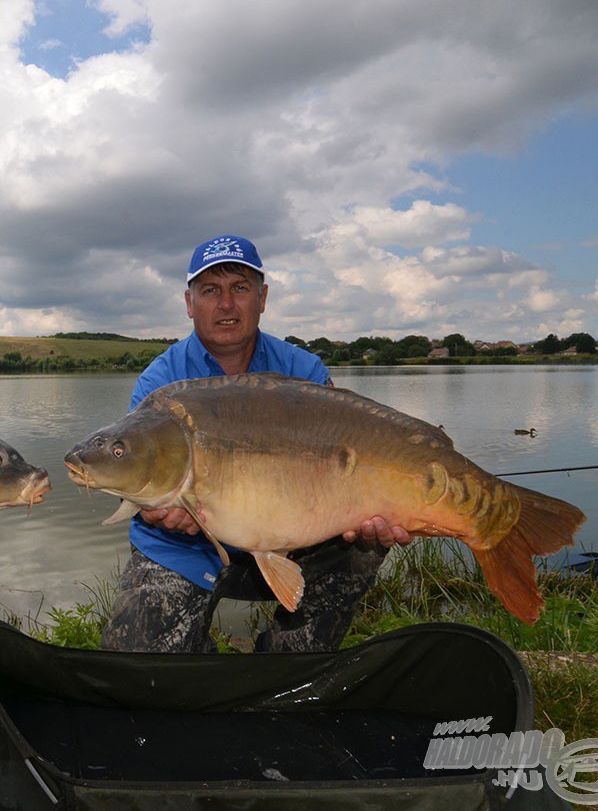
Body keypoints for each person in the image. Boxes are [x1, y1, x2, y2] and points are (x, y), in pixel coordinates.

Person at [101, 235, 410, 655]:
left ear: (262, 298)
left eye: (240, 288)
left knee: (363, 544)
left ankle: (289, 661)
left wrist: (373, 509)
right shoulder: (162, 383)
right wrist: (157, 512)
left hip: (298, 542)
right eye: (210, 290)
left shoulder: (304, 371)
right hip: (189, 548)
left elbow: (349, 464)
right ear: (190, 303)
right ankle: (194, 662)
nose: (226, 304)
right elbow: (140, 472)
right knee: (139, 664)